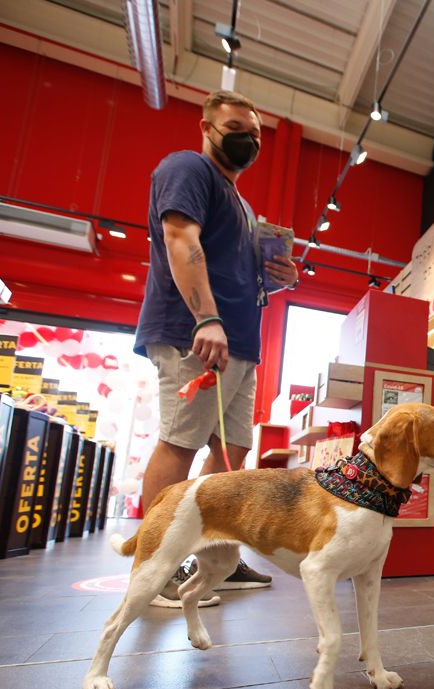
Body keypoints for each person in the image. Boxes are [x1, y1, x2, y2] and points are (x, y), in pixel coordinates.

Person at [134, 90, 300, 608]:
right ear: (206, 126)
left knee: (231, 454)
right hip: (196, 333)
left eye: (254, 133)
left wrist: (279, 278)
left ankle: (215, 561)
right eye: (235, 127)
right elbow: (181, 238)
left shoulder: (243, 205)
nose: (246, 140)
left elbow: (235, 271)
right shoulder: (188, 168)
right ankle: (155, 567)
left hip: (239, 344)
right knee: (179, 445)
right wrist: (207, 317)